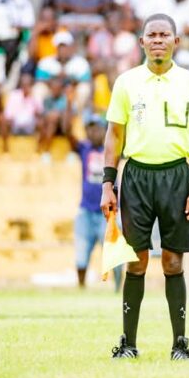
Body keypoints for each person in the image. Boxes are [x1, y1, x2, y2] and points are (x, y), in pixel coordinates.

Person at [101, 13, 189, 360]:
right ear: (142, 42)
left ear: (176, 41)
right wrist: (107, 184)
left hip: (178, 177)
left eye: (165, 35)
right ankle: (128, 343)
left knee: (173, 263)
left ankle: (180, 344)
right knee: (135, 262)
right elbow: (114, 135)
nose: (158, 40)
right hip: (136, 177)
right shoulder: (126, 82)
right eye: (152, 35)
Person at [71, 114, 122, 290]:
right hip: (86, 209)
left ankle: (118, 288)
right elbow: (67, 132)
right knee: (81, 253)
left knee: (112, 251)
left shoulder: (114, 150)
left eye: (97, 128)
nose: (93, 132)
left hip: (108, 211)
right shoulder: (84, 149)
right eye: (89, 128)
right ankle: (81, 288)